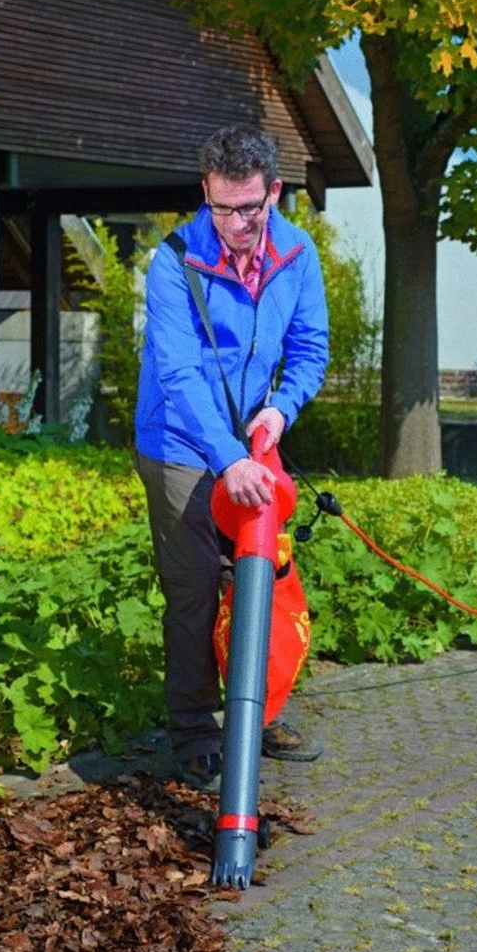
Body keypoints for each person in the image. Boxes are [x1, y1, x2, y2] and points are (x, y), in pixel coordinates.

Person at [134, 125, 329, 783]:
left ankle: (257, 716)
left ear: (273, 192)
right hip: (180, 445)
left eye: (248, 208)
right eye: (221, 208)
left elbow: (309, 349)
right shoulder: (174, 261)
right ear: (205, 192)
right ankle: (194, 733)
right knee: (194, 589)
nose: (236, 224)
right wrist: (227, 458)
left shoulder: (296, 253)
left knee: (255, 580)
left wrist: (280, 409)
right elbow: (178, 374)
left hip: (252, 442)